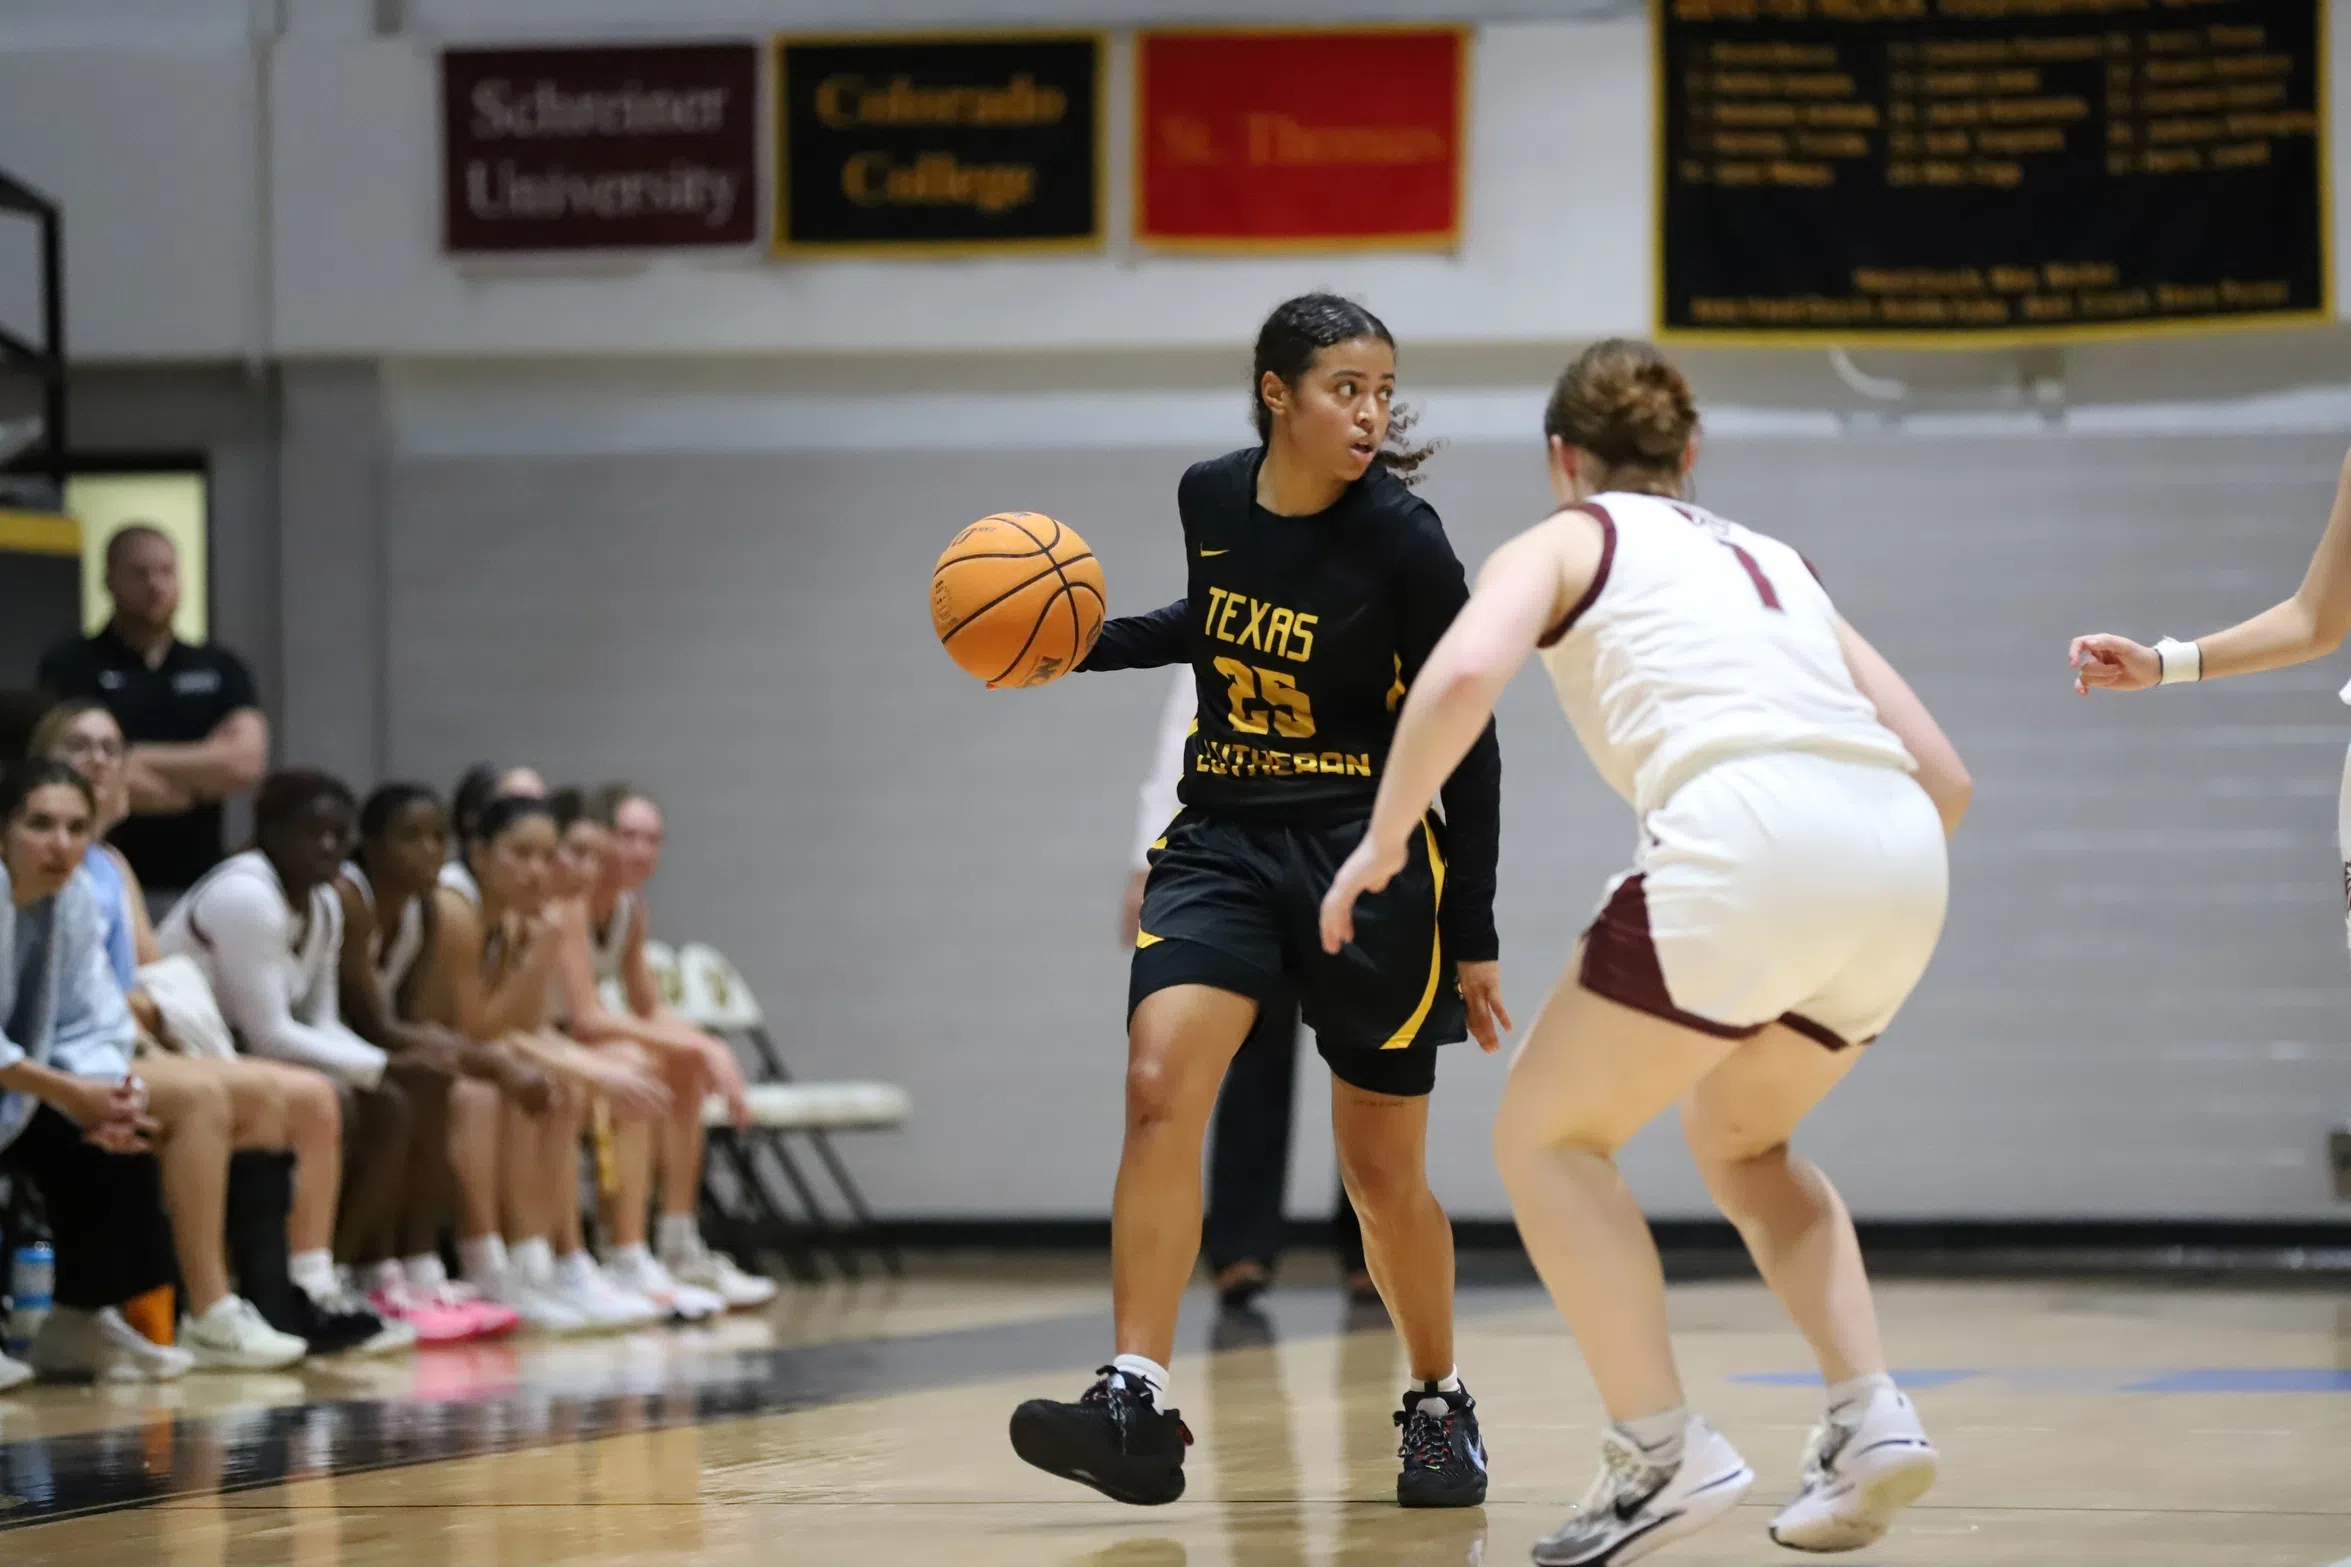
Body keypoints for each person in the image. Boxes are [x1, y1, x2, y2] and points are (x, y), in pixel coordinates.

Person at [1320, 339, 1970, 1562]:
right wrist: (1838, 877)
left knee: (1543, 1138)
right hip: (1897, 854)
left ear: (1563, 460)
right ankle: (1871, 1415)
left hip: (1746, 832)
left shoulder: (1567, 538)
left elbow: (1463, 668)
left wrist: (1384, 839)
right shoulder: (1777, 561)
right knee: (1745, 1141)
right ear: (1690, 453)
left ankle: (1657, 1452)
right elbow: (1945, 774)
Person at [1009, 294, 1505, 1510]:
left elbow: (1467, 738)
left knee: (1379, 1179)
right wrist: (1084, 642)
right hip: (1222, 836)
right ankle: (1133, 1394)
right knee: (1154, 1083)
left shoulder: (1405, 537)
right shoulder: (1209, 498)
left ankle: (1437, 1402)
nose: (1372, 411)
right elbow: (1216, 626)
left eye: (1385, 389)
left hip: (1363, 859)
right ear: (1276, 392)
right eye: (1347, 387)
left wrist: (1475, 931)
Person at [26, 701, 313, 1370]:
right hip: (72, 1049)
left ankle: (255, 1295)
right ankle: (208, 1310)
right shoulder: (43, 872)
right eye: (80, 744)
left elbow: (149, 974)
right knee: (202, 1099)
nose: (98, 759)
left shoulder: (108, 863)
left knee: (275, 1096)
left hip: (114, 1035)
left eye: (110, 747)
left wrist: (153, 1019)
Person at [1125, 669, 1370, 1309]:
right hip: (1248, 857)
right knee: (1252, 1049)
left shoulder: (1372, 600)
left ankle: (1372, 1245)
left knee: (1370, 1059)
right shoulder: (1225, 600)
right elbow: (1181, 738)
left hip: (1355, 850)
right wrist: (1146, 858)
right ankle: (1240, 1248)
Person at [155, 771, 416, 1357]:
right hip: (178, 1051)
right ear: (269, 832)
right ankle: (299, 1283)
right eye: (312, 833)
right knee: (328, 1099)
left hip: (233, 1055)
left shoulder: (325, 902)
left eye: (339, 835)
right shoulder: (247, 894)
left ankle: (321, 1280)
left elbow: (319, 1020)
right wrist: (379, 1069)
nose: (328, 848)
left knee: (373, 1101)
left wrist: (380, 1066)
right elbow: (270, 1033)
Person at [430, 793, 667, 1332]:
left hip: (471, 1051)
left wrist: (587, 1067)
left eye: (545, 855)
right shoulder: (456, 907)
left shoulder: (520, 919)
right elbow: (479, 1031)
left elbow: (516, 1029)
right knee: (493, 1092)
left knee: (558, 1084)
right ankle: (488, 1261)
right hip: (426, 1056)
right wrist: (591, 1064)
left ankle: (550, 1263)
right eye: (523, 854)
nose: (539, 870)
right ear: (480, 853)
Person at [0, 758, 195, 1387]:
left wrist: (110, 1097)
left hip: (20, 1088)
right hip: (21, 1082)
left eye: (77, 827)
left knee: (120, 1136)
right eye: (41, 824)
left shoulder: (77, 895)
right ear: (4, 831)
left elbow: (95, 1019)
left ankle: (78, 1321)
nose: (61, 844)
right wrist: (68, 1092)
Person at [336, 782, 539, 1343]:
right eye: (411, 837)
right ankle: (354, 1269)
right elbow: (377, 1026)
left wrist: (465, 1057)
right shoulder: (351, 899)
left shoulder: (422, 910)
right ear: (371, 845)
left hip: (358, 1049)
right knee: (414, 1092)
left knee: (435, 1082)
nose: (429, 851)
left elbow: (421, 1022)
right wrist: (494, 1064)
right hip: (324, 1045)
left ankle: (417, 1269)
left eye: (436, 838)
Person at [566, 784, 772, 1309]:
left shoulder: (630, 910)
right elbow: (586, 1018)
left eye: (653, 840)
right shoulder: (569, 901)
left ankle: (679, 1244)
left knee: (679, 1064)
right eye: (628, 836)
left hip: (581, 1044)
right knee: (637, 1064)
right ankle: (623, 1252)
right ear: (598, 837)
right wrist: (703, 1047)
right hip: (553, 1044)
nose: (641, 851)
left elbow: (647, 1006)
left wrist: (704, 1047)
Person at [35, 526, 267, 905]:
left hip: (198, 880)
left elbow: (244, 762)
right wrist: (197, 782)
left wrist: (133, 758)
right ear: (109, 579)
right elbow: (66, 766)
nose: (155, 585)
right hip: (95, 871)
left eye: (166, 571)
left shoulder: (220, 667)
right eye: (140, 573)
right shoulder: (70, 665)